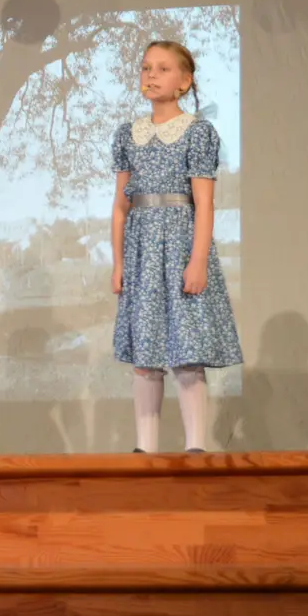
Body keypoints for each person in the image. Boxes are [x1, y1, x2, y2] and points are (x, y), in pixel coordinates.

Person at [110, 40, 242, 454]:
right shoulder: (128, 134)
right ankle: (144, 449)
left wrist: (198, 260)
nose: (151, 75)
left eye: (163, 69)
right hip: (142, 251)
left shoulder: (197, 132)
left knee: (187, 349)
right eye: (146, 67)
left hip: (181, 244)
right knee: (145, 353)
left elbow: (204, 202)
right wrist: (118, 263)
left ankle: (195, 447)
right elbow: (120, 206)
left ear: (184, 82)